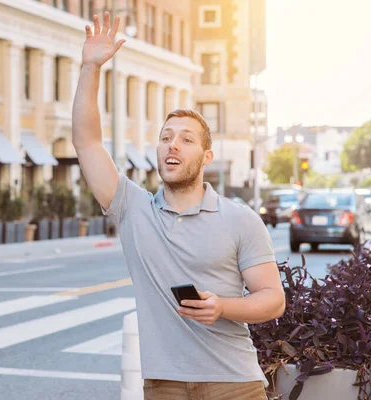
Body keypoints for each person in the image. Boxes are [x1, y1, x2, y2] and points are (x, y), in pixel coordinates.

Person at [72, 12, 285, 400]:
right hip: (163, 384)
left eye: (186, 140)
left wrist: (222, 306)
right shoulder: (132, 208)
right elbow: (87, 143)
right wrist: (90, 67)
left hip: (234, 383)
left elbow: (273, 299)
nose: (172, 144)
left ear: (206, 157)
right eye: (166, 137)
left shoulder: (240, 220)